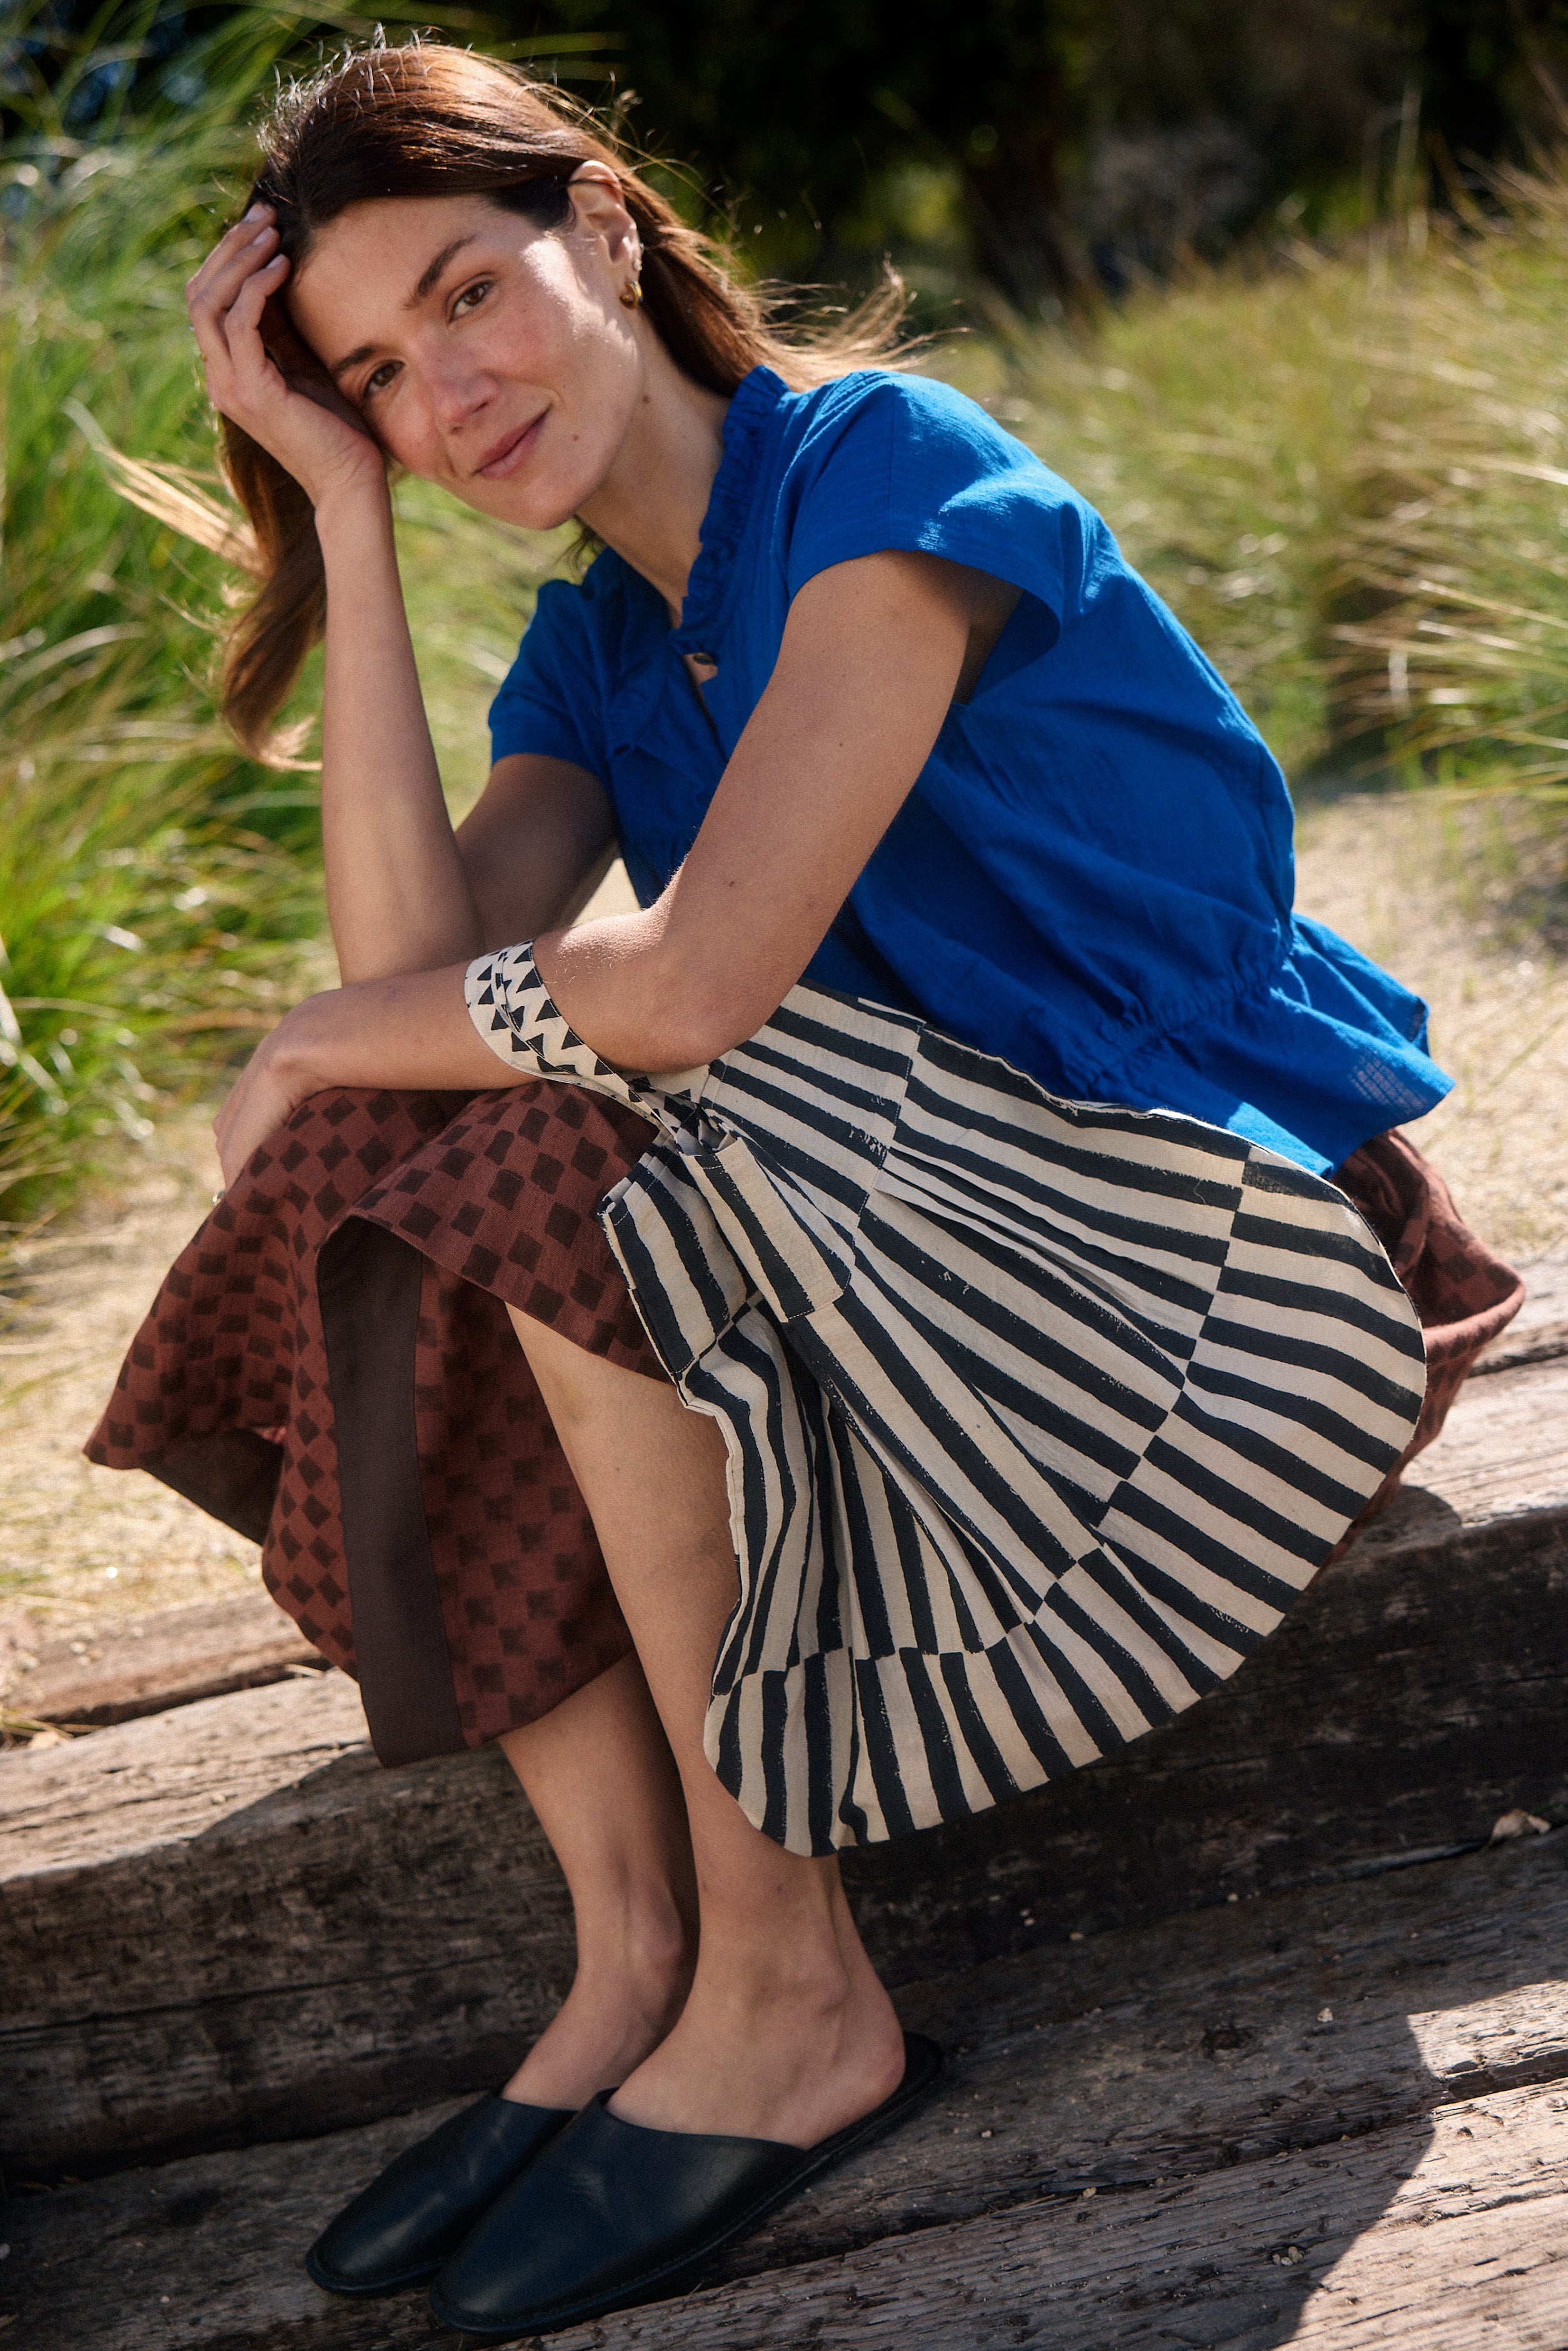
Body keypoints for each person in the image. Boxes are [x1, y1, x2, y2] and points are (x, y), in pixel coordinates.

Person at [86, 39, 1522, 2340]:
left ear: (605, 227)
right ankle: (633, 1953)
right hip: (930, 1272)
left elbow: (695, 976)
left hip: (1211, 1263)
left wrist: (317, 1041)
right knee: (396, 1138)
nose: (446, 396)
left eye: (467, 295)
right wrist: (341, 522)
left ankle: (789, 1989)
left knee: (525, 1127)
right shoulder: (594, 641)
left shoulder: (879, 467)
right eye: (372, 375)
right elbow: (407, 990)